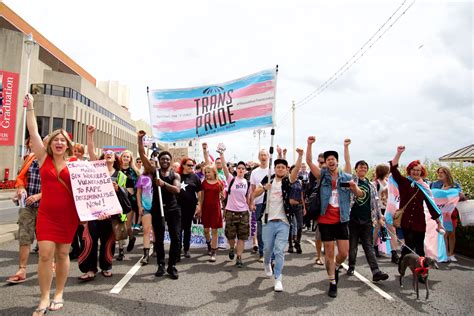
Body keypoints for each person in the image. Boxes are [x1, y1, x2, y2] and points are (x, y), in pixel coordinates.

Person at [25, 94, 80, 315]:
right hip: (46, 215)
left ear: (68, 146)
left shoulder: (76, 164)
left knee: (62, 254)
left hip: (68, 216)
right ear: (50, 144)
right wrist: (30, 108)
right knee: (45, 253)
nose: (59, 143)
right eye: (56, 140)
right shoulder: (42, 159)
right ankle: (44, 296)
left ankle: (59, 292)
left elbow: (90, 189)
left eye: (63, 141)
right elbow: (33, 132)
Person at [306, 136, 363, 298]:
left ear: (337, 162)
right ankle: (332, 281)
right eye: (328, 159)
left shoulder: (346, 177)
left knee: (344, 253)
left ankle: (336, 267)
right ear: (325, 162)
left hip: (342, 219)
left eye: (333, 159)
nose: (330, 161)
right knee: (329, 253)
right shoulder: (322, 176)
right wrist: (309, 144)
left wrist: (354, 187)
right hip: (325, 220)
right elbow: (309, 161)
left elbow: (359, 194)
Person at [78, 126, 124, 281]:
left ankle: (106, 266)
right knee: (90, 241)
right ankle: (90, 269)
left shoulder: (120, 176)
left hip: (111, 215)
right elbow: (90, 152)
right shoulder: (96, 170)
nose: (108, 154)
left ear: (115, 159)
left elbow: (126, 196)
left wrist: (118, 189)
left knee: (108, 242)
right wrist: (90, 135)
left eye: (111, 154)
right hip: (94, 214)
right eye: (106, 153)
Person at [253, 148, 302, 292]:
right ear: (274, 168)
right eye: (278, 167)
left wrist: (300, 156)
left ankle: (278, 278)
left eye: (283, 167)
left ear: (286, 169)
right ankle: (267, 262)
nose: (280, 169)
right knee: (268, 248)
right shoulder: (268, 179)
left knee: (279, 250)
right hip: (268, 220)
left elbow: (297, 169)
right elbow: (254, 194)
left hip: (283, 221)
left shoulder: (288, 181)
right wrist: (264, 188)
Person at [138, 131, 182, 279]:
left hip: (173, 208)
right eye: (162, 159)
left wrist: (163, 184)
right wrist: (139, 139)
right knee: (159, 238)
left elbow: (176, 190)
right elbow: (143, 157)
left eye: (167, 159)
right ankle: (161, 265)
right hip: (158, 208)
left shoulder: (175, 175)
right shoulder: (153, 171)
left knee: (176, 238)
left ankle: (172, 266)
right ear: (159, 160)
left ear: (170, 161)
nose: (165, 161)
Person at [390, 146, 444, 265]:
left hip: (419, 222)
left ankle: (421, 272)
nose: (416, 172)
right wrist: (399, 153)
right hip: (406, 221)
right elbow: (393, 168)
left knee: (420, 248)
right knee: (409, 245)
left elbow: (431, 205)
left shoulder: (424, 187)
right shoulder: (404, 182)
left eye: (418, 170)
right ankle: (403, 264)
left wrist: (438, 222)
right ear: (409, 170)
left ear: (421, 172)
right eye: (413, 169)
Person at [345, 157, 389, 282]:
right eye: (360, 167)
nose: (363, 169)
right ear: (356, 169)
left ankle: (376, 271)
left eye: (365, 167)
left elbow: (376, 203)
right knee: (353, 246)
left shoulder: (371, 186)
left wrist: (380, 217)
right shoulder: (352, 182)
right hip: (353, 219)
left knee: (368, 246)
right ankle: (351, 266)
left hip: (368, 220)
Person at [6, 138, 42, 284]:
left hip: (46, 206)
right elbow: (20, 178)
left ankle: (50, 263)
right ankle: (22, 269)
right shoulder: (30, 159)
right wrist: (20, 189)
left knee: (45, 238)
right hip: (27, 206)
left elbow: (56, 185)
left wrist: (40, 195)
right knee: (24, 236)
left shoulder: (53, 161)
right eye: (31, 143)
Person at [221, 151, 251, 268]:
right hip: (230, 212)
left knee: (242, 237)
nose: (240, 170)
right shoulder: (231, 180)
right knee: (231, 236)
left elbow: (248, 198)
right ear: (236, 169)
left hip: (243, 213)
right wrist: (222, 155)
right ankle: (232, 248)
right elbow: (224, 167)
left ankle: (239, 257)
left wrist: (251, 206)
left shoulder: (247, 183)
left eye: (243, 168)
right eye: (239, 168)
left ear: (245, 170)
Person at [430, 166, 466, 262]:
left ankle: (451, 254)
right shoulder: (435, 184)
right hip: (439, 212)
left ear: (447, 173)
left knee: (451, 233)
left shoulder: (455, 185)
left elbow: (461, 197)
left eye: (442, 172)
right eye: (439, 172)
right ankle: (445, 254)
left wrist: (461, 195)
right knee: (443, 234)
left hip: (451, 212)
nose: (440, 174)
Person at [196, 164, 224, 262]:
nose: (207, 174)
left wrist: (223, 197)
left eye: (209, 172)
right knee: (206, 230)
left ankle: (213, 251)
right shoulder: (203, 183)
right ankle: (209, 243)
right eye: (206, 172)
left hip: (216, 209)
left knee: (214, 230)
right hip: (206, 208)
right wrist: (200, 207)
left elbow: (222, 194)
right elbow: (201, 197)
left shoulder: (219, 183)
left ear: (214, 172)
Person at [177, 158, 202, 259]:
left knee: (187, 228)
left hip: (190, 206)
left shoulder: (195, 177)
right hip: (178, 206)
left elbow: (199, 192)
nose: (191, 167)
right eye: (189, 165)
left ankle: (186, 249)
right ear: (183, 165)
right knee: (178, 228)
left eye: (192, 165)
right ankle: (177, 249)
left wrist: (199, 205)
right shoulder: (177, 176)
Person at [249, 149, 271, 262]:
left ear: (268, 156)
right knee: (260, 230)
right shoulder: (254, 172)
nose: (263, 157)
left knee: (270, 229)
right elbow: (252, 189)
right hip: (258, 203)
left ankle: (270, 254)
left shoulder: (271, 170)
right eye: (261, 155)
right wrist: (252, 202)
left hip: (271, 204)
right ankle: (262, 253)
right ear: (259, 157)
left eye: (265, 155)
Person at [69, 144, 87, 260]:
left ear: (82, 153)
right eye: (75, 151)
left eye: (79, 151)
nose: (76, 153)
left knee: (81, 226)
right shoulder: (68, 163)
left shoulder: (85, 165)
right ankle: (75, 248)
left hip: (81, 198)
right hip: (71, 198)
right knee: (73, 226)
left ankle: (83, 248)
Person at [136, 168, 155, 265]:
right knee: (146, 230)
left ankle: (156, 248)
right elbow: (138, 193)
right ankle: (146, 254)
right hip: (146, 207)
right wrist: (140, 206)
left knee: (156, 229)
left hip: (157, 208)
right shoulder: (142, 177)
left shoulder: (159, 175)